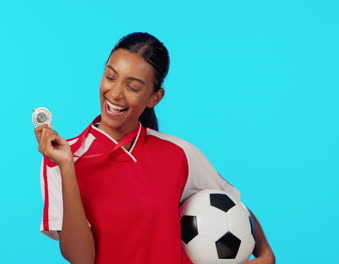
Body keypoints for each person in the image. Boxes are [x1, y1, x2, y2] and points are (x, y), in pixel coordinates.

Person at [34, 32, 275, 264]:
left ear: (154, 97)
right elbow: (81, 259)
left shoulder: (179, 153)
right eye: (110, 76)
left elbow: (231, 207)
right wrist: (67, 166)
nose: (115, 93)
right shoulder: (61, 156)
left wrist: (265, 255)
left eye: (133, 87)